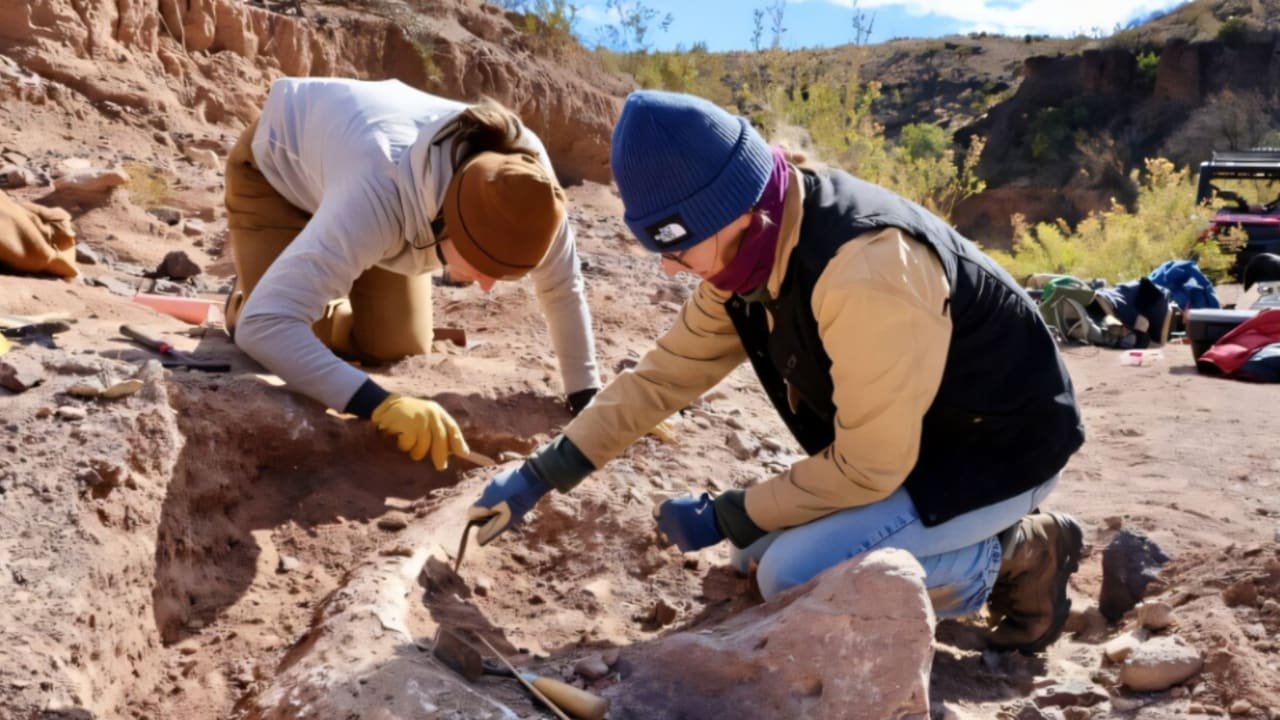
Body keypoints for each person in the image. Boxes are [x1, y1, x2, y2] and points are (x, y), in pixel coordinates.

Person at [468, 90, 1087, 654]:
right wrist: (538, 475)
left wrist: (724, 512)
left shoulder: (864, 270)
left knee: (792, 576)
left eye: (676, 248)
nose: (670, 271)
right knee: (757, 553)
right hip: (915, 442)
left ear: (728, 212)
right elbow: (661, 379)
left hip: (1000, 453)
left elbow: (870, 467)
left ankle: (1019, 553)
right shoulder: (749, 253)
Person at [224, 77, 600, 469]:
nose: (487, 288)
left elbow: (562, 288)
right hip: (279, 177)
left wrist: (587, 394)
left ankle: (320, 268)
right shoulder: (376, 191)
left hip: (365, 202)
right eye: (483, 267)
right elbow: (266, 325)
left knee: (397, 344)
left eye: (503, 276)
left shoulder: (530, 194)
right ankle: (248, 295)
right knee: (285, 335)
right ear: (447, 223)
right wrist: (380, 405)